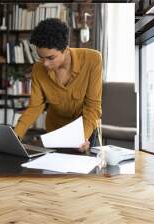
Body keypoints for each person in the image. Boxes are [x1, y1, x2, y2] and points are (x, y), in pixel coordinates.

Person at [13, 18, 103, 152]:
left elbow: (92, 107)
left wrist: (81, 137)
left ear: (66, 50)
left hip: (85, 133)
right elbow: (35, 107)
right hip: (55, 134)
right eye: (40, 57)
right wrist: (16, 135)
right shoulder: (38, 69)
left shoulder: (93, 60)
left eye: (50, 58)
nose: (45, 64)